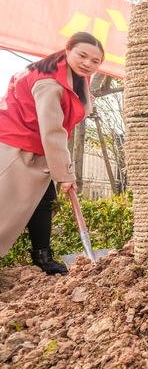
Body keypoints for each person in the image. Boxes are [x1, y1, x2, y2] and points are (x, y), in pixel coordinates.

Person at [0, 32, 104, 274]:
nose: (88, 64)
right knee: (5, 204)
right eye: (82, 55)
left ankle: (42, 256)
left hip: (38, 147)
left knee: (44, 201)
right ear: (67, 50)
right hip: (15, 146)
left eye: (95, 61)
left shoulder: (76, 77)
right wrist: (64, 174)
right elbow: (52, 131)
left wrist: (62, 170)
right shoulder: (48, 82)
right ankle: (42, 257)